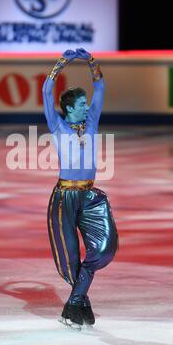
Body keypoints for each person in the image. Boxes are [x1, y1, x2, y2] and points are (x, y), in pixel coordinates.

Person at [42, 48, 119, 330]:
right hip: (64, 198)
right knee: (71, 257)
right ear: (70, 107)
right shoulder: (57, 125)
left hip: (89, 196)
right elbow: (46, 92)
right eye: (82, 103)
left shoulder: (92, 123)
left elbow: (100, 87)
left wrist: (90, 62)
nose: (87, 106)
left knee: (104, 249)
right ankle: (78, 304)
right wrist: (60, 64)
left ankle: (75, 302)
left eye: (87, 103)